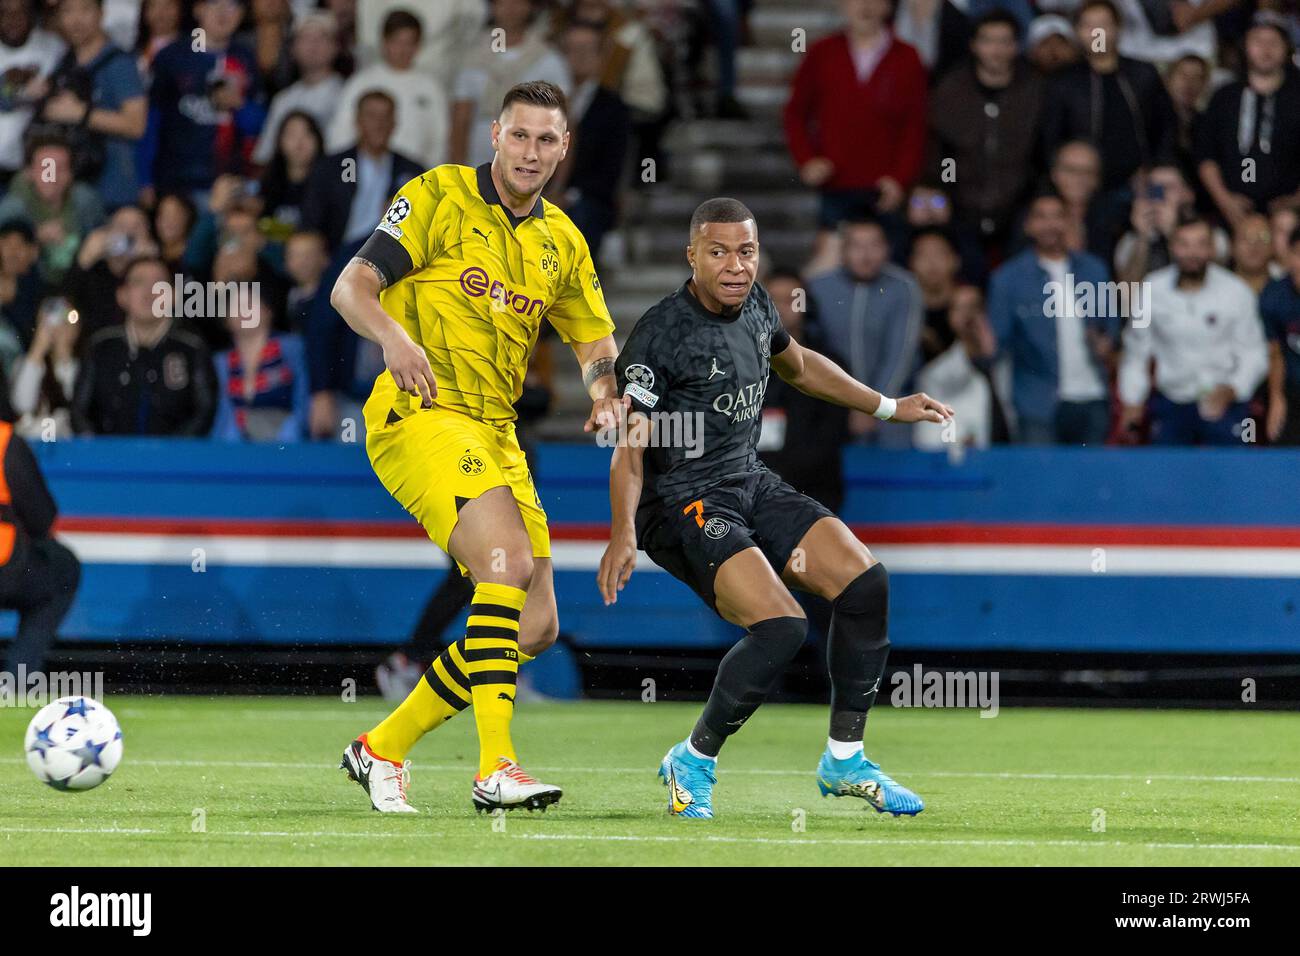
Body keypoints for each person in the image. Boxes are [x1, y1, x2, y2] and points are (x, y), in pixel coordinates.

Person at [599, 197, 952, 819]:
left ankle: (845, 760)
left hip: (748, 481)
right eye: (719, 252)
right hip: (683, 500)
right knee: (782, 627)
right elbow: (630, 442)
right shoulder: (660, 334)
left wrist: (890, 406)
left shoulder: (758, 302)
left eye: (747, 251)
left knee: (865, 584)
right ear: (692, 256)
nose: (736, 265)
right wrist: (622, 531)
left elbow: (800, 368)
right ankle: (694, 758)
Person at [330, 80, 622, 814]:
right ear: (494, 135)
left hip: (496, 432)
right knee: (507, 563)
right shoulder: (437, 195)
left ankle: (381, 747)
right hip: (420, 412)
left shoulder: (562, 239)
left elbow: (593, 337)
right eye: (519, 136)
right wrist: (394, 337)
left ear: (564, 149)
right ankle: (497, 767)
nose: (531, 152)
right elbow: (350, 287)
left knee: (535, 625)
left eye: (546, 140)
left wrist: (604, 388)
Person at [783, 0, 928, 274]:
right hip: (835, 184)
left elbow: (915, 126)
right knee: (831, 270)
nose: (865, 6)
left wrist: (901, 178)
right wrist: (807, 160)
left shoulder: (907, 57)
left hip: (885, 190)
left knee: (890, 270)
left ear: (888, 6)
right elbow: (795, 113)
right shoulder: (821, 53)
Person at [1119, 213, 1268, 445]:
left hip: (1225, 402)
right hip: (1170, 402)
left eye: (1201, 244)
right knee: (1165, 476)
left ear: (1212, 249)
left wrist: (1232, 389)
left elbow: (1254, 353)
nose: (1192, 253)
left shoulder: (1236, 292)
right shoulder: (1150, 289)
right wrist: (1132, 400)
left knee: (1232, 475)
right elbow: (1136, 352)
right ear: (1172, 247)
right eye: (1184, 244)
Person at [989, 191, 1118, 444]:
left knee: (1092, 482)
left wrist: (1105, 343)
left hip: (1093, 396)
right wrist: (979, 340)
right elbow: (995, 347)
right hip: (1037, 402)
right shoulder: (1007, 279)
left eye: (1057, 216)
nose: (1050, 224)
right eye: (1041, 217)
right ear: (1028, 225)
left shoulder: (1095, 270)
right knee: (1041, 480)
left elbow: (1110, 327)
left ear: (1070, 222)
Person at [71, 254, 216, 435]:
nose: (149, 291)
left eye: (158, 284)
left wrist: (174, 454)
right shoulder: (100, 346)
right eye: (138, 282)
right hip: (108, 458)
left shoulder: (191, 347)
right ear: (122, 295)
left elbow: (204, 412)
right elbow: (79, 411)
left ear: (173, 296)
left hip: (176, 459)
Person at [0, 378, 81, 676]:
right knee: (63, 568)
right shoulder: (5, 441)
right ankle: (17, 680)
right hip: (5, 565)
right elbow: (41, 518)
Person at [35, 0, 146, 209]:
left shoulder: (120, 63)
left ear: (101, 13)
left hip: (113, 190)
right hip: (72, 186)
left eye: (85, 9)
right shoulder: (64, 61)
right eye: (68, 11)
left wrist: (81, 113)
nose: (76, 20)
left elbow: (136, 125)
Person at [1196, 13, 1300, 230]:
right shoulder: (1225, 96)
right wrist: (1225, 202)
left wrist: (1294, 202)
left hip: (1287, 214)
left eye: (1273, 42)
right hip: (1226, 210)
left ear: (1286, 47)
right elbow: (1206, 155)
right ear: (1245, 46)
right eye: (1258, 41)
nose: (1265, 49)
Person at [326, 9, 449, 169]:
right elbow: (341, 133)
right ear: (384, 42)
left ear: (418, 46)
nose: (403, 49)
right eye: (397, 41)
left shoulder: (431, 87)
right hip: (366, 175)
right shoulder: (362, 82)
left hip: (416, 178)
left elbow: (439, 140)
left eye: (409, 43)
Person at [250, 11, 343, 167]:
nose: (313, 45)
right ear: (293, 48)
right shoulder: (283, 99)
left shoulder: (348, 94)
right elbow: (264, 156)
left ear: (335, 47)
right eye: (305, 39)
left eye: (322, 38)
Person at [0, 0, 65, 185]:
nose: (13, 20)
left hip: (42, 162)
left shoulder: (54, 47)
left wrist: (47, 92)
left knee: (48, 205)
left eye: (20, 12)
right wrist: (19, 92)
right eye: (5, 13)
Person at [1261, 224, 1300, 443]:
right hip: (1292, 389)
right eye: (1299, 254)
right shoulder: (1274, 295)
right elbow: (1275, 352)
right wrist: (1277, 399)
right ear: (1289, 255)